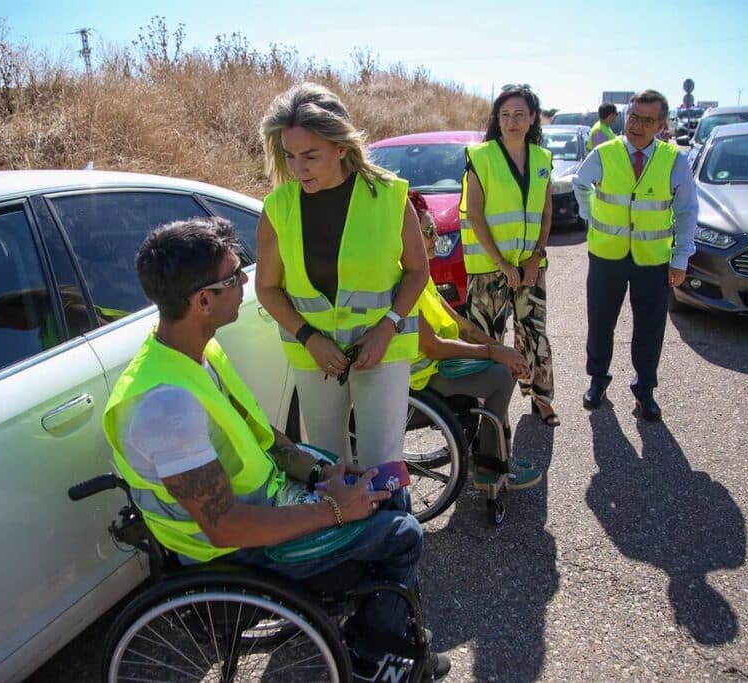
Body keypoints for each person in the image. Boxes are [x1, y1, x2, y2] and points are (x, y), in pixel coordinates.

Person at [102, 217, 449, 681]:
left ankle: (378, 636)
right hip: (231, 551)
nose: (246, 280)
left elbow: (262, 435)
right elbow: (224, 529)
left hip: (270, 502)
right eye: (233, 277)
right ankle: (375, 658)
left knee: (390, 487)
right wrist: (336, 512)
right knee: (403, 533)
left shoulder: (194, 354)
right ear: (202, 300)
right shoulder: (167, 406)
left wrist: (318, 474)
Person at [255, 82, 429, 483]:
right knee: (327, 463)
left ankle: (387, 542)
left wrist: (387, 328)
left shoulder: (389, 196)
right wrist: (309, 338)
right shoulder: (278, 208)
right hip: (315, 357)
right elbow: (267, 288)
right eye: (290, 156)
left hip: (381, 350)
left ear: (341, 148)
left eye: (311, 155)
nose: (299, 169)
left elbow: (418, 271)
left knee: (381, 464)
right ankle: (344, 544)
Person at [572, 89, 699, 422]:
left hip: (653, 259)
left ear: (660, 124)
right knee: (601, 322)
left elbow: (687, 212)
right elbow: (579, 183)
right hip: (606, 256)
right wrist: (590, 217)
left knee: (650, 328)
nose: (637, 125)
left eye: (647, 119)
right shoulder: (604, 152)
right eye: (634, 116)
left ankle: (645, 388)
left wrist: (680, 259)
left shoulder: (675, 160)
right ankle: (597, 380)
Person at [408, 191, 542, 489]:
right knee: (499, 377)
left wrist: (501, 349)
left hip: (439, 365)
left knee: (502, 367)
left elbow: (463, 327)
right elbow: (432, 346)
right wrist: (494, 356)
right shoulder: (401, 281)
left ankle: (490, 454)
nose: (435, 239)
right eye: (428, 232)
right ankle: (489, 465)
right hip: (420, 378)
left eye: (435, 231)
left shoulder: (421, 276)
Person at [460, 84, 559, 427]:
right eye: (504, 115)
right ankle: (484, 408)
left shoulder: (543, 158)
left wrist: (535, 258)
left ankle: (541, 398)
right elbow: (474, 214)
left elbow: (547, 214)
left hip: (531, 265)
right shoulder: (481, 155)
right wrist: (502, 264)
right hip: (489, 266)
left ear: (533, 118)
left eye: (519, 114)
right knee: (485, 337)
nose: (511, 121)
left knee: (534, 331)